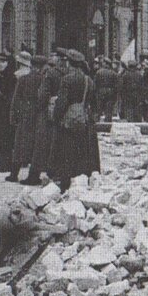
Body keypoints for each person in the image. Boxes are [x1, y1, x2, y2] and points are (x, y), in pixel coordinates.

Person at [50, 49, 100, 191]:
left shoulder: (67, 79)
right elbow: (94, 103)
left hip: (69, 121)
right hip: (84, 119)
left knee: (66, 152)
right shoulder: (88, 80)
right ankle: (82, 181)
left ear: (69, 63)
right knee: (83, 152)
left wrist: (56, 117)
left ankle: (65, 183)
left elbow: (62, 103)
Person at [28, 49, 66, 185]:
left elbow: (42, 95)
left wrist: (40, 106)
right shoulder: (67, 73)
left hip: (47, 112)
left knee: (41, 144)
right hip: (62, 113)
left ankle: (34, 175)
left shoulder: (50, 74)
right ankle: (54, 173)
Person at [7, 51, 41, 183]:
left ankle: (14, 174)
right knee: (36, 146)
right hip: (38, 115)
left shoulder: (23, 79)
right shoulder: (43, 79)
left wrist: (13, 115)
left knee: (20, 144)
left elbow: (16, 99)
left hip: (25, 114)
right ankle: (34, 175)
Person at [118, 58, 143, 122]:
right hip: (137, 95)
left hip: (127, 95)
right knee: (137, 109)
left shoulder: (125, 75)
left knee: (128, 110)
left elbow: (121, 86)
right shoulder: (139, 75)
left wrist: (121, 95)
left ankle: (130, 122)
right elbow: (142, 86)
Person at [94, 57, 118, 122]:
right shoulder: (114, 73)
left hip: (100, 92)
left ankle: (96, 123)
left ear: (105, 63)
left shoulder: (98, 72)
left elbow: (95, 83)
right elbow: (116, 85)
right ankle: (107, 124)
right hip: (110, 92)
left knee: (98, 109)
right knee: (108, 110)